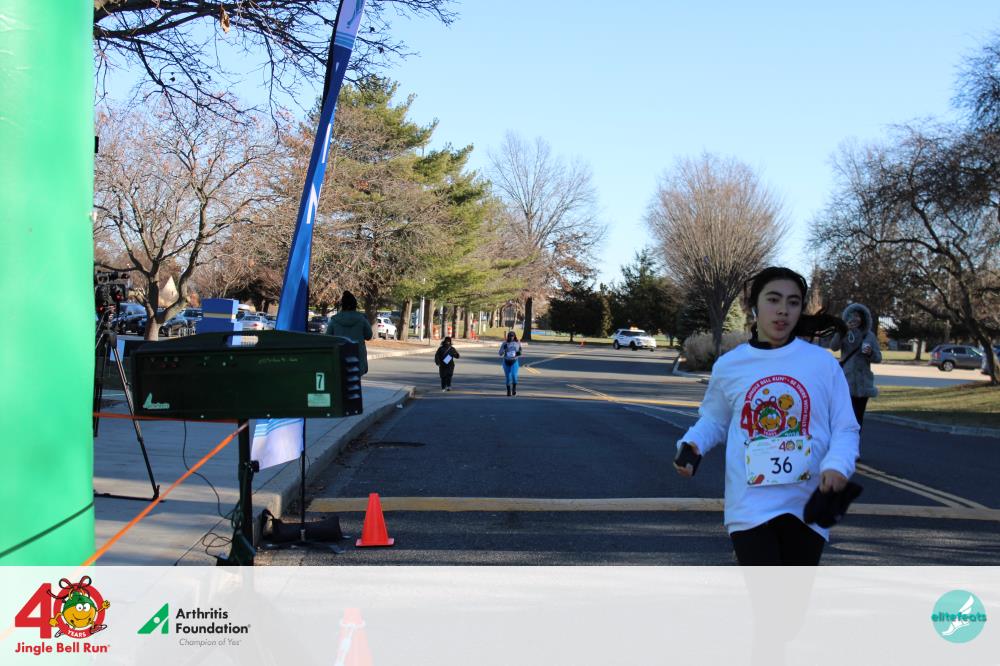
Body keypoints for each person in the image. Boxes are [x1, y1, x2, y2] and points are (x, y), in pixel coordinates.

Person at [673, 267, 859, 565]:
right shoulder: (730, 365)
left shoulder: (822, 364)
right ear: (754, 305)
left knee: (792, 594)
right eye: (773, 299)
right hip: (749, 505)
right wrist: (693, 443)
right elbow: (714, 419)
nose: (783, 310)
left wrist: (837, 465)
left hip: (806, 504)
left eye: (793, 302)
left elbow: (845, 427)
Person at [830, 303, 881, 430]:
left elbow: (878, 358)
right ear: (847, 317)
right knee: (845, 418)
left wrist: (870, 353)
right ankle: (844, 440)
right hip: (846, 382)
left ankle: (855, 441)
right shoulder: (844, 333)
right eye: (852, 316)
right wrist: (842, 331)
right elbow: (834, 347)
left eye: (858, 316)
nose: (855, 319)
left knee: (858, 419)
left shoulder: (869, 336)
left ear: (863, 318)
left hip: (864, 384)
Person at [327, 290, 373, 375]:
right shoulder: (362, 319)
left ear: (342, 305)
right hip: (358, 358)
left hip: (339, 358)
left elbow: (327, 338)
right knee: (355, 381)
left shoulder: (334, 320)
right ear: (355, 305)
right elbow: (369, 336)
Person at [498, 331, 522, 396]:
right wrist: (504, 349)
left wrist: (518, 353)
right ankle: (508, 391)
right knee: (508, 377)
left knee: (514, 376)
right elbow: (500, 353)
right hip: (506, 361)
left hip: (514, 361)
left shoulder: (517, 343)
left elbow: (520, 352)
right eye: (510, 336)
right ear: (508, 336)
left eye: (512, 336)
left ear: (514, 336)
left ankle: (514, 388)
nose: (511, 337)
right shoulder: (505, 343)